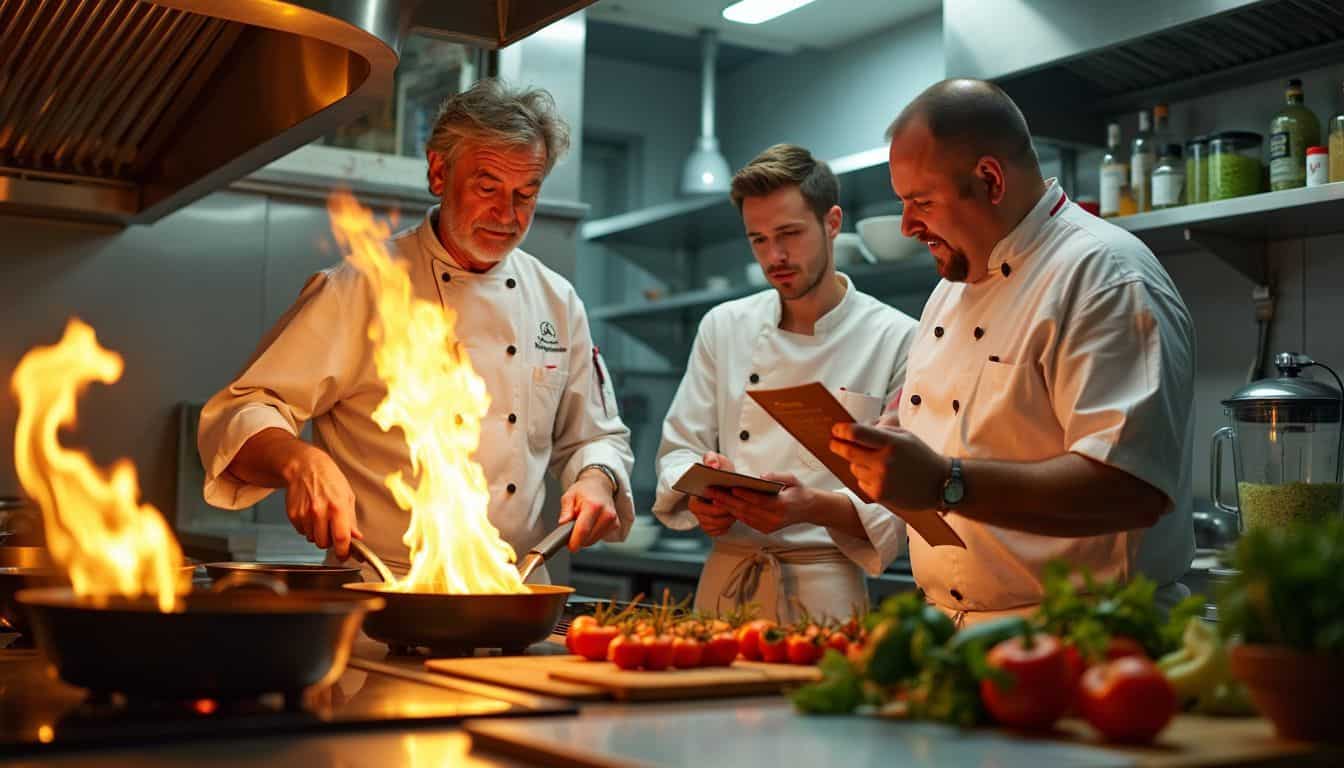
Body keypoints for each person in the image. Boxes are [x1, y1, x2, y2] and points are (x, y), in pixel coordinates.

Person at [197, 79, 634, 578]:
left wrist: (598, 477)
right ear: (439, 172)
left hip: (515, 591)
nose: (507, 215)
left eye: (525, 195)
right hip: (384, 591)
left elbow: (596, 436)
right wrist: (299, 461)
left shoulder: (556, 301)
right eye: (487, 187)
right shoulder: (362, 287)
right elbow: (244, 408)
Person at [830, 79, 1196, 626]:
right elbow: (953, 445)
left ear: (990, 179)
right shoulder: (948, 291)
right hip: (959, 630)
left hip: (1085, 634)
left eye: (921, 202)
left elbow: (1130, 487)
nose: (908, 226)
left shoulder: (1103, 275)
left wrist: (941, 481)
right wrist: (889, 452)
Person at [653, 144, 919, 623]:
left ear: (832, 222)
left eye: (789, 234)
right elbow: (677, 451)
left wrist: (813, 508)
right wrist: (702, 495)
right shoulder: (724, 325)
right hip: (726, 584)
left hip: (826, 592)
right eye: (758, 240)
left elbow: (904, 499)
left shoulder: (899, 338)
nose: (774, 256)